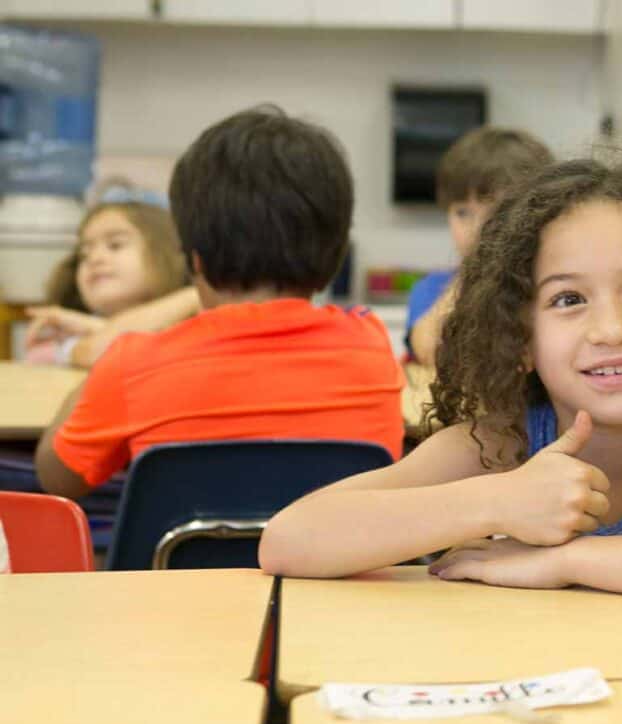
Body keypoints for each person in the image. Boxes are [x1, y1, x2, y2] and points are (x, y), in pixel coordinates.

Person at [260, 159, 622, 606]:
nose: (612, 329)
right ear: (519, 340)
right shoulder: (501, 448)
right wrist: (496, 500)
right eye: (568, 300)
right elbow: (290, 539)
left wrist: (565, 561)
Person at [34, 106, 404, 499]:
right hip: (343, 562)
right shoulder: (371, 346)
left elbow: (57, 478)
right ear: (336, 255)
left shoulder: (133, 365)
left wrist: (104, 366)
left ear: (194, 257)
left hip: (182, 563)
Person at [405, 126, 554, 368]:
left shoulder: (552, 284)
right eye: (462, 213)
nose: (478, 229)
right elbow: (430, 351)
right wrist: (472, 273)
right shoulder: (432, 289)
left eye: (496, 213)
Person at [23, 188, 195, 368]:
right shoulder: (54, 350)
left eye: (115, 245)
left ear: (166, 253)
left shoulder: (192, 329)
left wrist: (93, 327)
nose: (95, 259)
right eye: (84, 254)